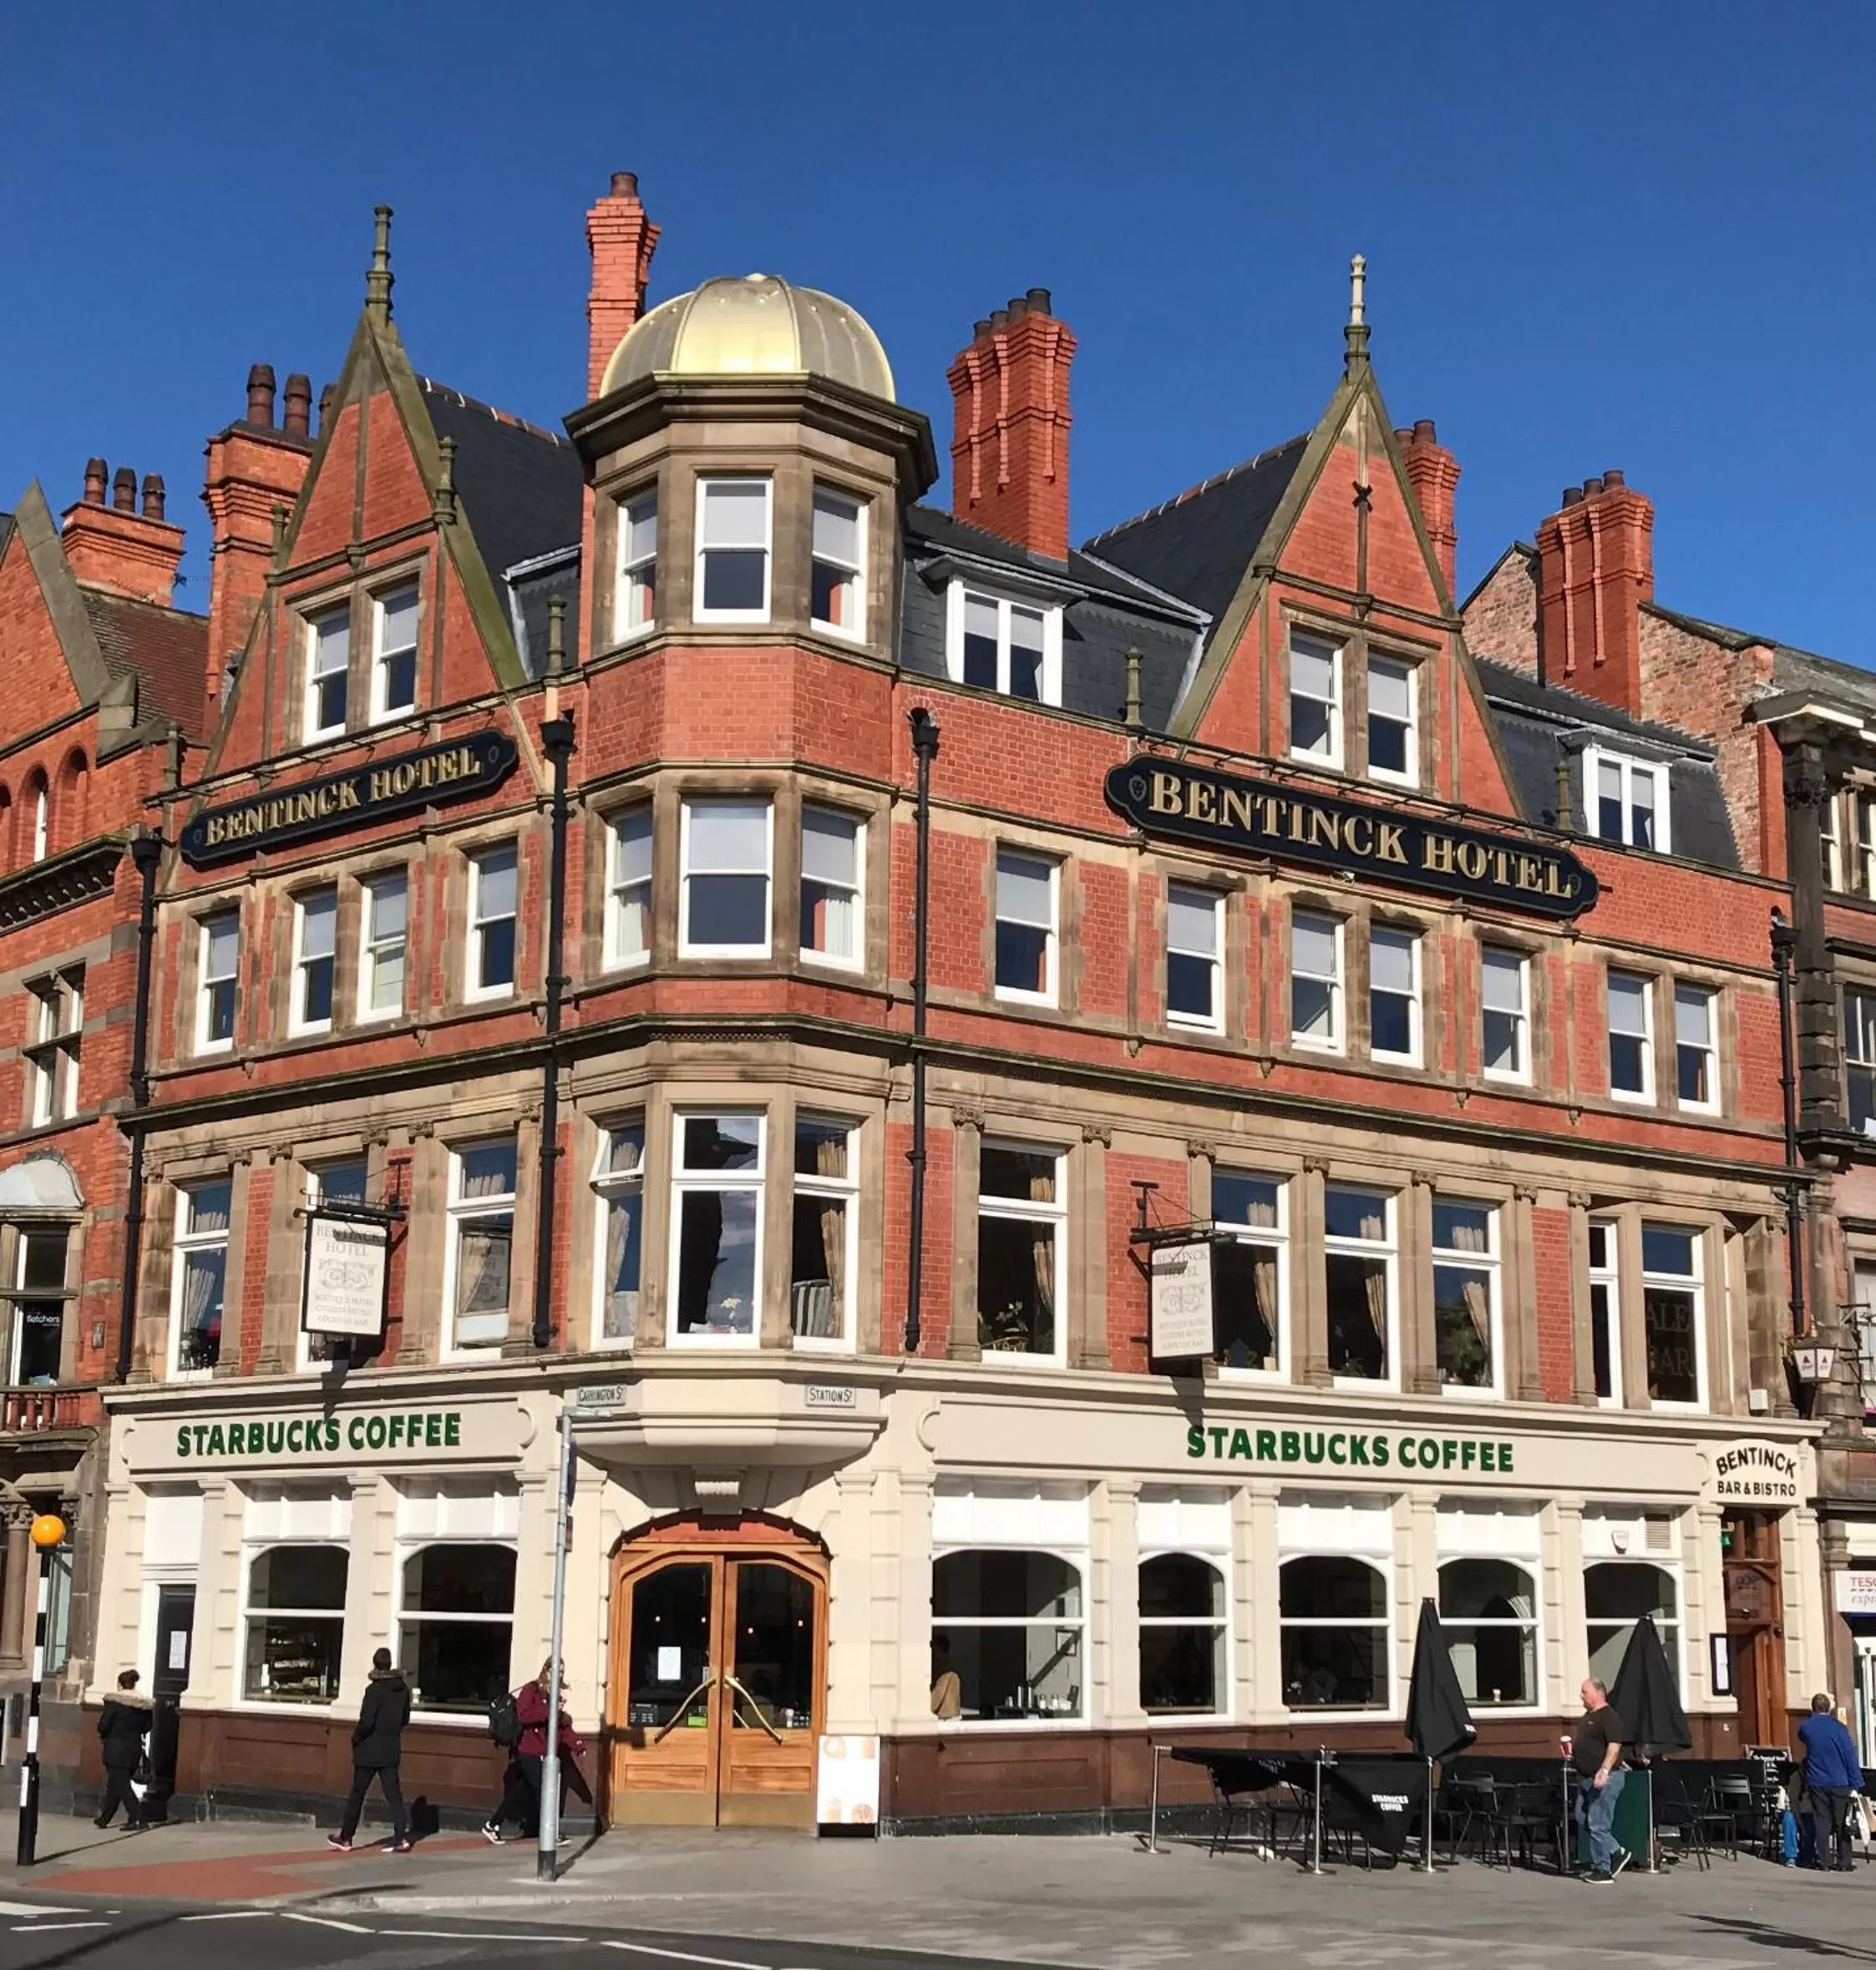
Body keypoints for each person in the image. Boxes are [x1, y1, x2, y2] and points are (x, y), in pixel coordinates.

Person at [484, 1659, 582, 1843]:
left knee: (522, 1791)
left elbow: (561, 1726)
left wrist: (578, 1745)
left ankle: (492, 1824)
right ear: (545, 1670)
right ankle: (551, 1834)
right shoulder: (532, 1690)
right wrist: (549, 1710)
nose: (559, 1675)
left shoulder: (554, 1695)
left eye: (562, 1671)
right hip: (528, 1751)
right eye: (555, 1670)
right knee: (545, 1791)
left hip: (543, 1752)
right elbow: (523, 1715)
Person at [328, 1648, 412, 1853]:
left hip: (369, 1750)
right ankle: (401, 1837)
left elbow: (366, 1722)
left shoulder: (373, 1691)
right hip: (391, 1748)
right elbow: (405, 1719)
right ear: (390, 1663)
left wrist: (356, 1738)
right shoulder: (403, 1690)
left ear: (375, 1664)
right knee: (394, 1795)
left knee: (357, 1794)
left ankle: (346, 1837)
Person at [1569, 1676, 1630, 1883]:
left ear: (1598, 1693)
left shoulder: (1609, 1716)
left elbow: (1614, 1747)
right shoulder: (1588, 1715)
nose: (1581, 1696)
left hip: (1606, 1777)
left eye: (1584, 1692)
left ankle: (1602, 1869)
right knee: (1581, 1816)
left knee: (1598, 1823)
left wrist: (1604, 1770)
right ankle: (1615, 1850)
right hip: (1586, 1778)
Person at [1797, 1691, 1863, 1872]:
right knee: (1843, 1822)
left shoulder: (1806, 1727)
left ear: (1813, 1708)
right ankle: (1844, 1861)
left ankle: (1824, 1860)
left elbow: (1802, 1737)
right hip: (1839, 1781)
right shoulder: (1839, 1729)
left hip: (1817, 1781)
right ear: (1829, 1708)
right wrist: (1856, 1783)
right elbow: (1849, 1756)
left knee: (1822, 1821)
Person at [94, 1669, 151, 1830]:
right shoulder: (144, 1705)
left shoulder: (114, 1703)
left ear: (120, 1684)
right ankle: (104, 1818)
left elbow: (103, 1726)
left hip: (115, 1750)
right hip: (133, 1749)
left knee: (123, 1786)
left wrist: (105, 1731)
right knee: (115, 1784)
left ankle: (139, 1818)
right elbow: (147, 1727)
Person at [930, 1638, 962, 1719]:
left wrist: (923, 1711)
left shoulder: (945, 1671)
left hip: (947, 1718)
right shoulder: (948, 1668)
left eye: (934, 1650)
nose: (932, 1653)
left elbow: (937, 1697)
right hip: (951, 1716)